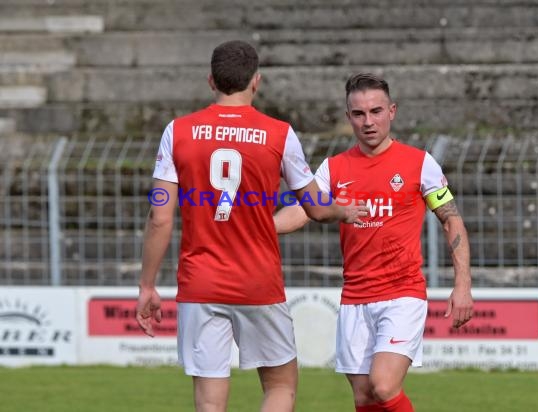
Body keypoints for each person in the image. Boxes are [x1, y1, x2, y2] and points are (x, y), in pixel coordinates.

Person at [134, 40, 368, 412]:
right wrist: (344, 210)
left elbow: (160, 215)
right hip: (257, 279)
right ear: (256, 81)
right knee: (280, 386)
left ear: (211, 80)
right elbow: (316, 208)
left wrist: (147, 284)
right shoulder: (278, 133)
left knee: (209, 402)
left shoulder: (177, 132)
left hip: (200, 282)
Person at [274, 73, 474, 412]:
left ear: (392, 111)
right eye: (359, 114)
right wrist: (259, 227)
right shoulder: (334, 167)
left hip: (402, 294)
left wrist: (463, 284)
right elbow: (305, 210)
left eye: (376, 111)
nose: (369, 122)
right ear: (348, 116)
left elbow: (451, 218)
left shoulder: (419, 163)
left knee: (383, 385)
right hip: (355, 297)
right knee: (364, 397)